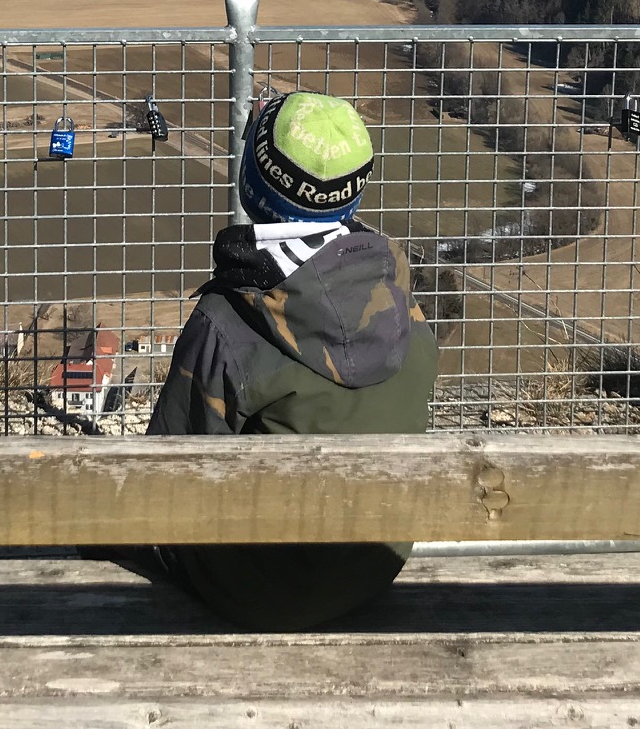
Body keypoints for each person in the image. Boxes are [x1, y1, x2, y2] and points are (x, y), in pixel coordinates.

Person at [110, 91, 439, 629]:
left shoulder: (229, 319)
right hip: (373, 562)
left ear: (252, 181)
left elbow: (166, 475)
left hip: (258, 590)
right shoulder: (401, 300)